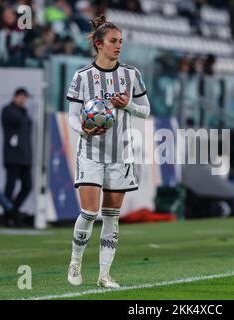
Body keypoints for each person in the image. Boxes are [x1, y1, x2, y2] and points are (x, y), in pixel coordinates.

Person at [66, 15, 150, 288]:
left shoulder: (131, 75)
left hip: (120, 154)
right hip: (90, 153)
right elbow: (72, 116)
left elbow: (146, 110)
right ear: (99, 44)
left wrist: (127, 106)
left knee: (112, 216)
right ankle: (75, 262)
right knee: (90, 213)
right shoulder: (82, 77)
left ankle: (104, 275)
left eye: (121, 42)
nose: (119, 46)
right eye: (114, 41)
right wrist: (83, 131)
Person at [1, 87, 33, 226]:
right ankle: (7, 216)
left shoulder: (23, 112)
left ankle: (12, 212)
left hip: (25, 156)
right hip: (13, 156)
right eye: (22, 97)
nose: (24, 100)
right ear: (16, 96)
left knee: (27, 186)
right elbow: (18, 122)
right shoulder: (8, 111)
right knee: (10, 187)